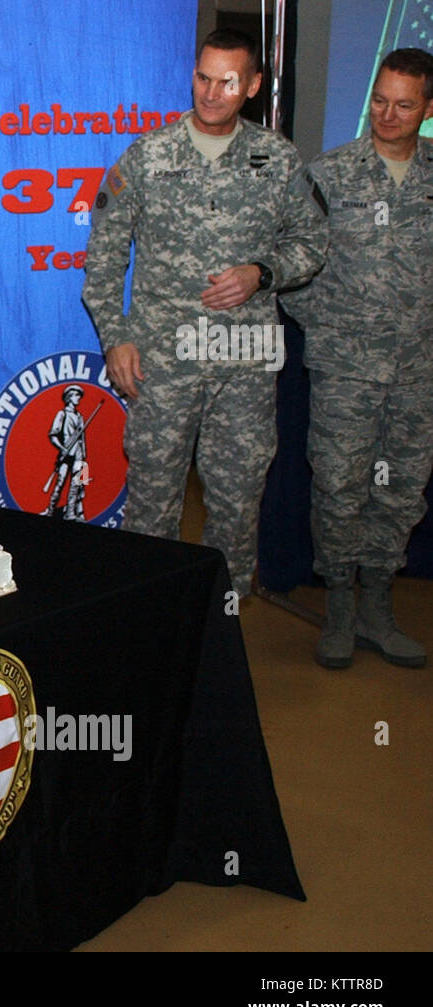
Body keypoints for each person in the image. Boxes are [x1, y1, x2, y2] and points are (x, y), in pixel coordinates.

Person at [81, 29, 327, 599]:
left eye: (228, 81)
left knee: (238, 502)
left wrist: (261, 273)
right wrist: (115, 338)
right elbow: (103, 259)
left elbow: (313, 244)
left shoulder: (280, 160)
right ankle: (148, 621)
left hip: (244, 366)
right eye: (202, 77)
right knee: (151, 503)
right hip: (161, 366)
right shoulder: (149, 155)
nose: (211, 93)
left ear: (254, 87)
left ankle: (223, 626)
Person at [281, 48, 433, 669]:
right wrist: (337, 333)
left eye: (403, 105)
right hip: (346, 371)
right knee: (340, 488)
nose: (387, 115)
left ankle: (378, 606)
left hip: (418, 373)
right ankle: (340, 608)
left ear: (427, 109)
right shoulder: (329, 175)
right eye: (379, 100)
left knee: (400, 490)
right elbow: (291, 267)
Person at [43, 385, 88, 521]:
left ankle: (70, 513)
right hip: (66, 453)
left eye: (79, 396)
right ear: (69, 398)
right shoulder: (62, 414)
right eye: (76, 395)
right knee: (60, 483)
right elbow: (53, 435)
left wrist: (84, 457)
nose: (78, 398)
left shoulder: (80, 416)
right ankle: (51, 511)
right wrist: (62, 448)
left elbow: (82, 438)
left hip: (79, 454)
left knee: (77, 485)